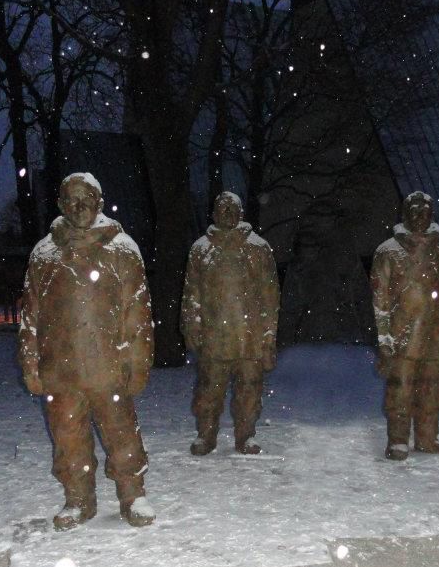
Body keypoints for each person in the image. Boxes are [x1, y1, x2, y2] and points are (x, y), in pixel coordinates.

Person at [19, 172, 155, 529]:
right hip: (60, 369)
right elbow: (29, 315)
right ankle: (78, 498)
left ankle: (132, 493)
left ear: (99, 202)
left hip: (109, 366)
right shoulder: (44, 253)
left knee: (121, 431)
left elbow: (138, 314)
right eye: (71, 199)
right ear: (62, 204)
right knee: (68, 436)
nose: (79, 206)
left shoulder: (122, 249)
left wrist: (138, 364)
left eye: (86, 198)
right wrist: (31, 365)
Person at [370, 191, 439, 460]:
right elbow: (380, 301)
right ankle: (398, 440)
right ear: (405, 214)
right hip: (403, 332)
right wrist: (384, 337)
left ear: (431, 214)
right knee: (400, 388)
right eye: (414, 211)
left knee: (432, 388)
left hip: (438, 332)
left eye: (424, 211)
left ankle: (427, 438)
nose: (419, 216)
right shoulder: (388, 251)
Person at [181, 192, 280, 455]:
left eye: (232, 208)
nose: (227, 213)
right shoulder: (201, 249)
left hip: (250, 335)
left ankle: (246, 435)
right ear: (214, 214)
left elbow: (270, 296)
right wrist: (192, 325)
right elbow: (192, 294)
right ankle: (206, 434)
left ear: (241, 213)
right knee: (209, 390)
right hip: (215, 336)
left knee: (249, 390)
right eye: (222, 208)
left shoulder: (258, 248)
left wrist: (269, 334)